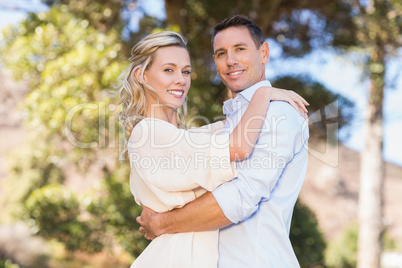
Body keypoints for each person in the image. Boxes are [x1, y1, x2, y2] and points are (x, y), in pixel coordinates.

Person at [116, 30, 308, 268]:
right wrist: (263, 93)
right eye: (168, 70)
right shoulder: (148, 134)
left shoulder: (186, 138)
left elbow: (228, 128)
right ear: (141, 75)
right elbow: (237, 146)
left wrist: (261, 99)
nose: (181, 80)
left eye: (186, 71)